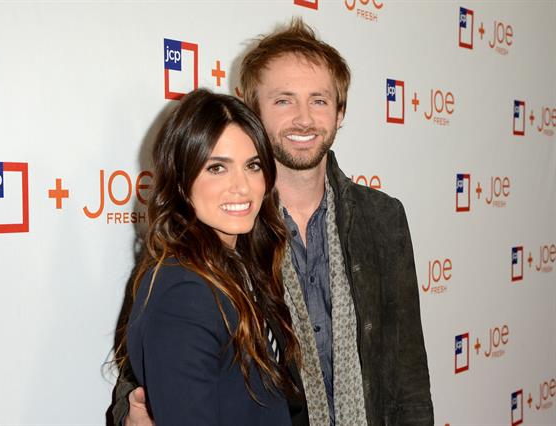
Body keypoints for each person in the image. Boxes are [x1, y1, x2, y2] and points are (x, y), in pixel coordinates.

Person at [112, 18, 434, 426]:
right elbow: (153, 363)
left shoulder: (383, 219)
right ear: (250, 106)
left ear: (340, 112)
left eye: (319, 100)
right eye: (283, 100)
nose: (303, 119)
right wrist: (130, 414)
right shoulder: (227, 225)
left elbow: (408, 376)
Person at [119, 88, 304, 426]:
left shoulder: (241, 265)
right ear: (180, 180)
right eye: (217, 168)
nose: (243, 187)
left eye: (253, 166)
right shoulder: (184, 293)